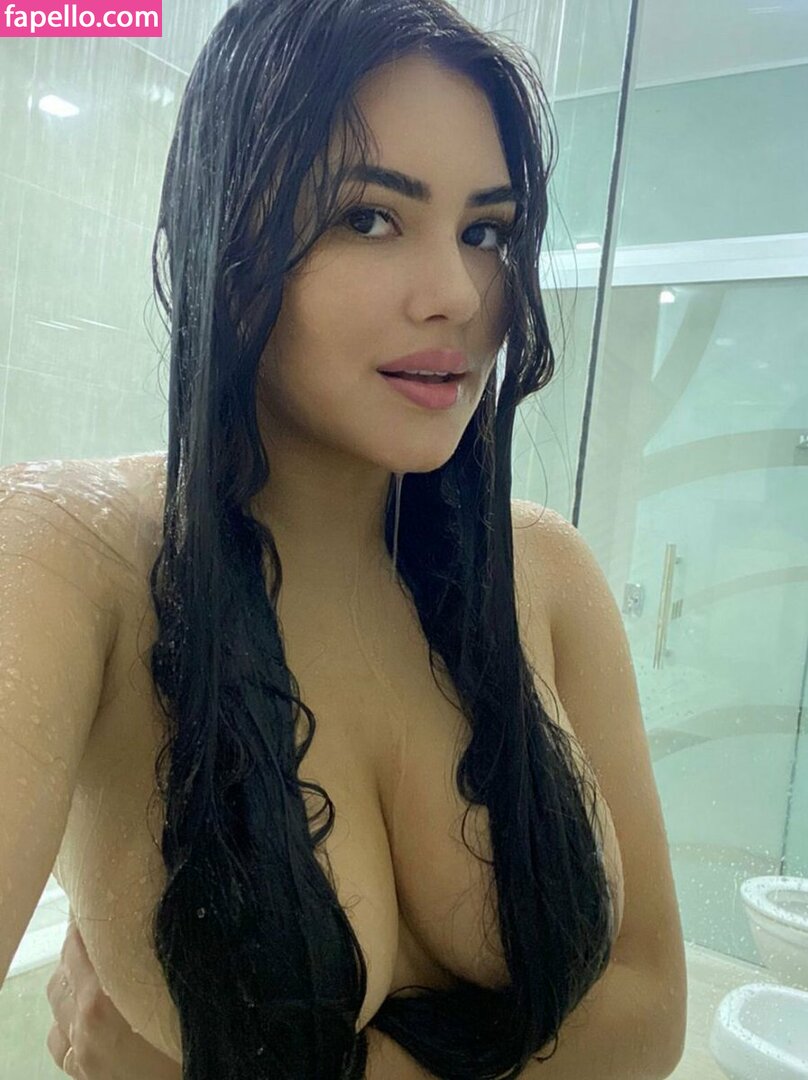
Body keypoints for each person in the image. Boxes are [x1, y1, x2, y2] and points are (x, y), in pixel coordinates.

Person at [1, 1, 687, 1078]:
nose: (457, 295)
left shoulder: (545, 574)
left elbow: (650, 1006)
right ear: (226, 232)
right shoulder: (68, 558)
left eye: (486, 231)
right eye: (368, 218)